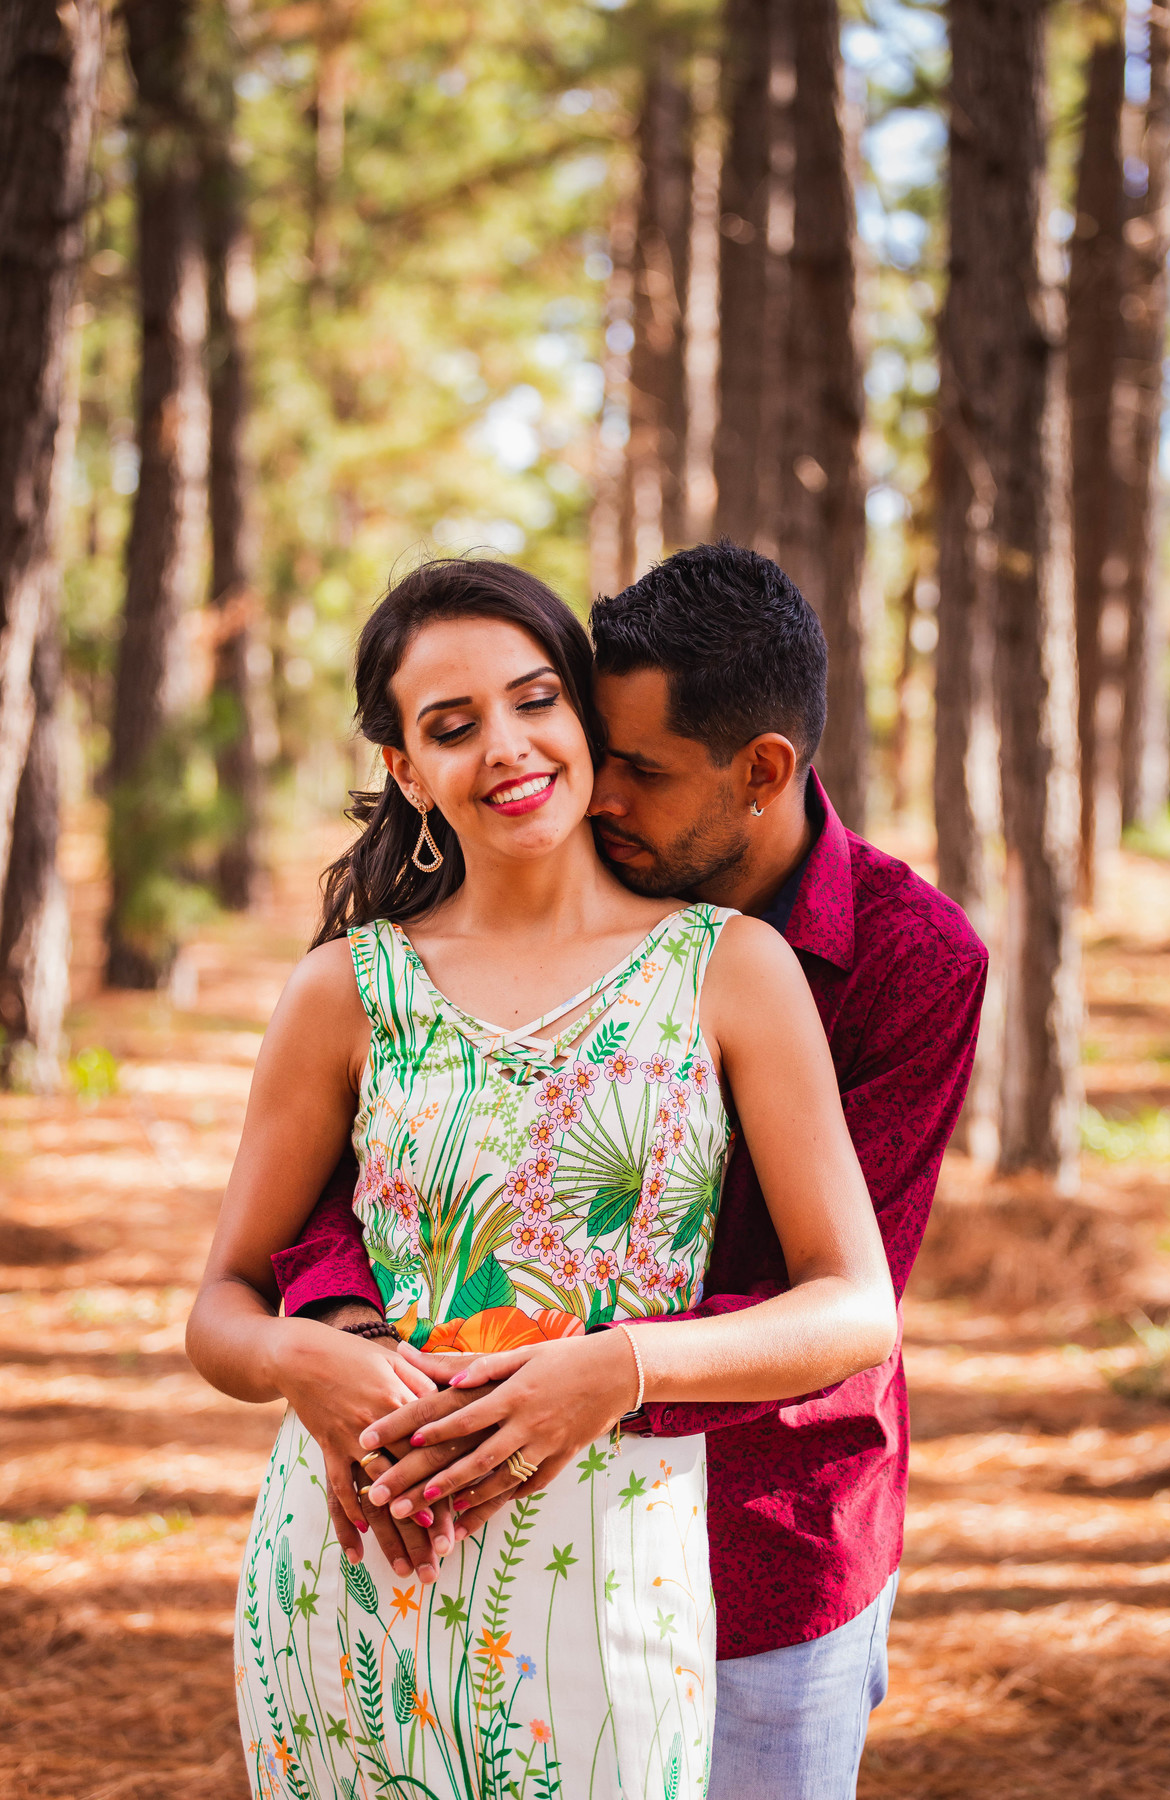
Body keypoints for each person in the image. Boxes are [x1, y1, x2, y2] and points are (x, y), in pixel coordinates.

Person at [277, 541, 989, 1800]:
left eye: (642, 772)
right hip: (473, 1524)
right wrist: (342, 1331)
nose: (595, 794)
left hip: (769, 1532)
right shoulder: (500, 913)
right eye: (598, 747)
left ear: (761, 772)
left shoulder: (909, 960)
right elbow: (398, 1161)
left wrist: (601, 1371)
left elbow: (844, 1295)